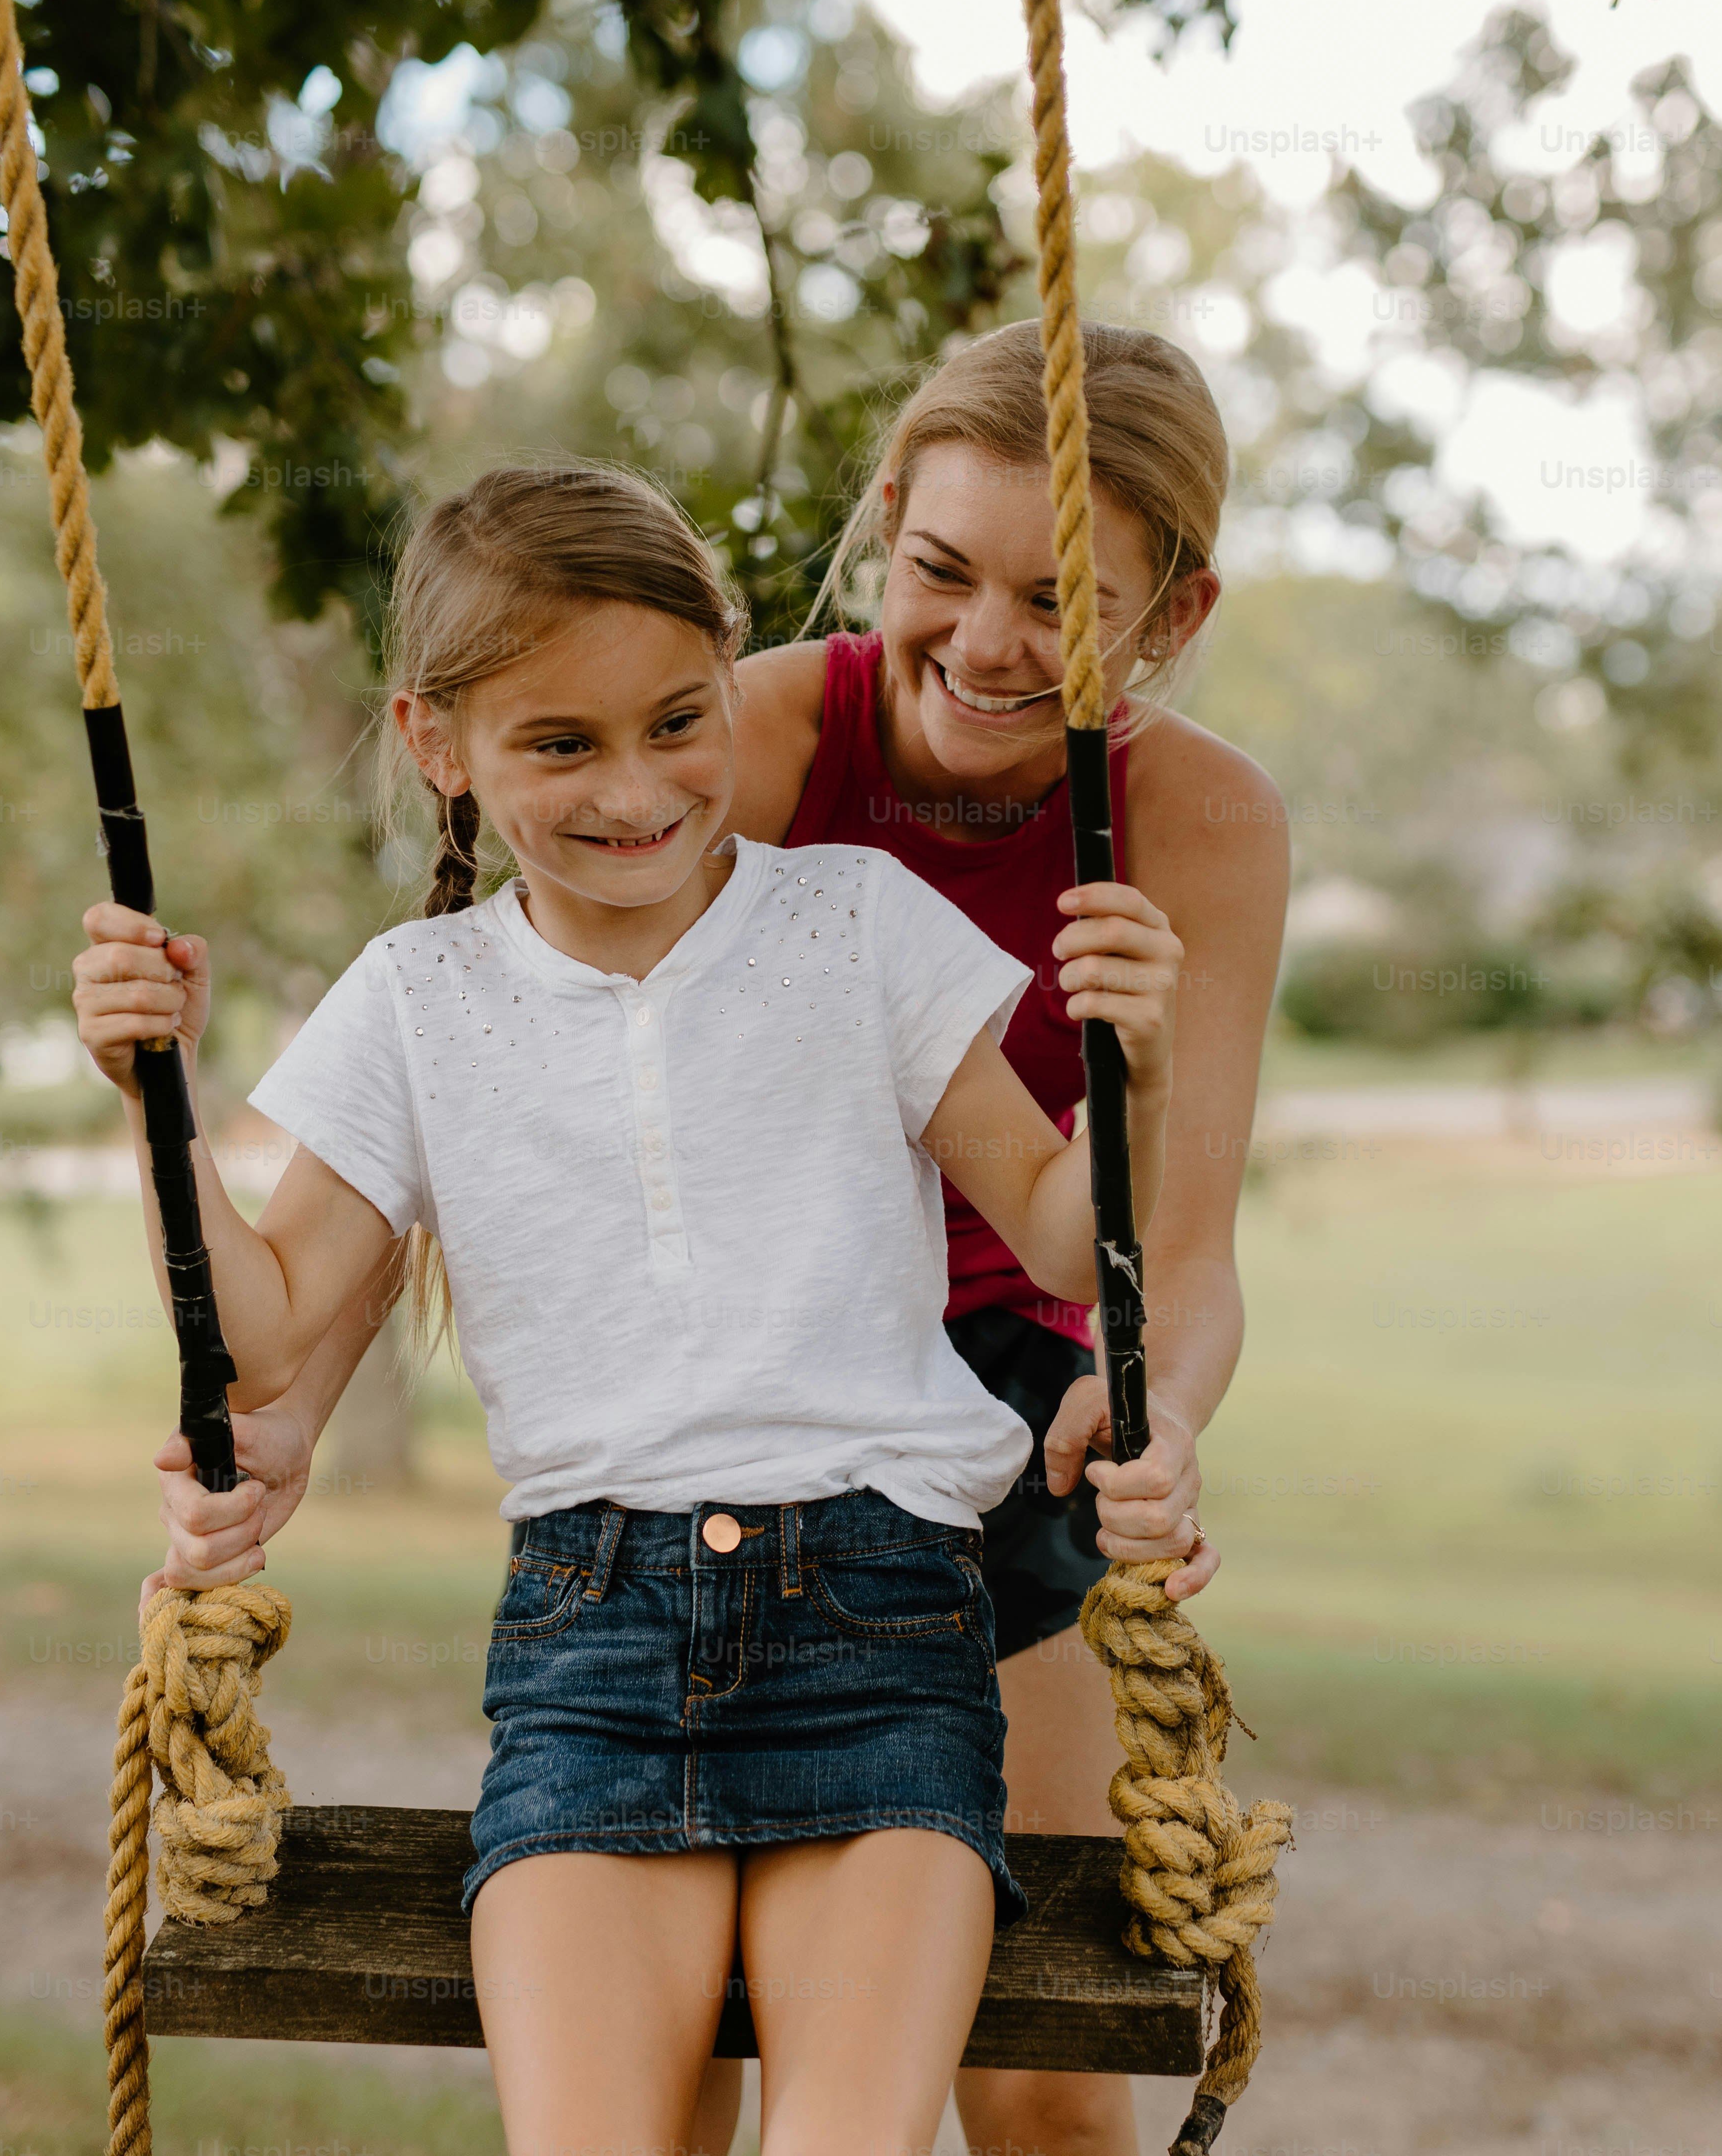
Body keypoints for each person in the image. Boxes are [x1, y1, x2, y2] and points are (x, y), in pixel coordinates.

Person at [225, 322, 1287, 2156]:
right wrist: (284, 1429)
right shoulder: (735, 737)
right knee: (667, 2070)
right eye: (943, 571)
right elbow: (523, 1074)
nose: (987, 640)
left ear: (1173, 613)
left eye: (1066, 602)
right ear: (884, 528)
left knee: (1044, 2084)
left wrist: (1159, 1410)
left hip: (1005, 1404)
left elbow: (1162, 1246)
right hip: (715, 1403)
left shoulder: (1201, 818)